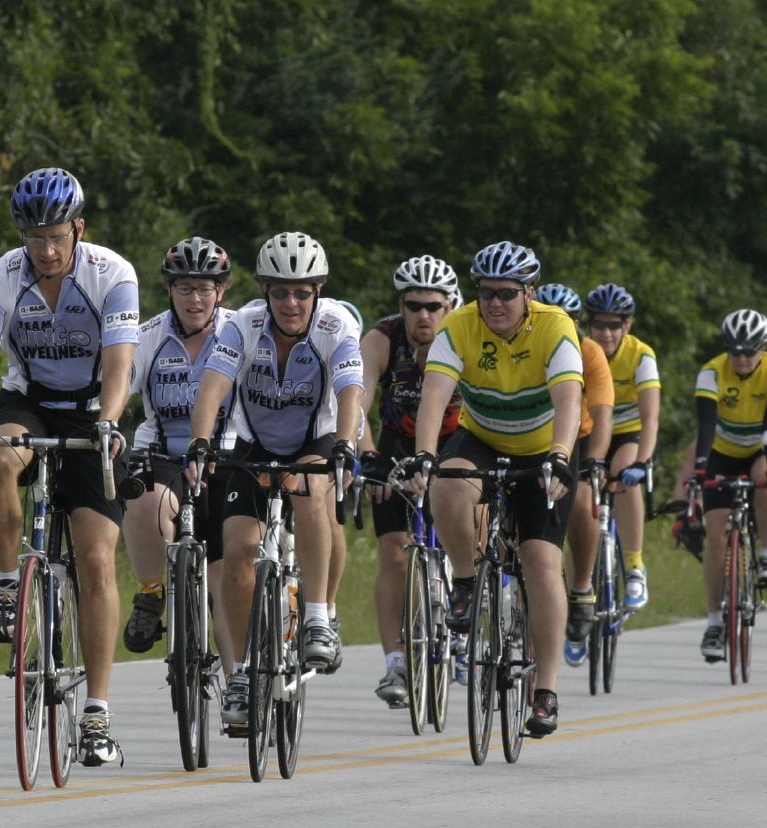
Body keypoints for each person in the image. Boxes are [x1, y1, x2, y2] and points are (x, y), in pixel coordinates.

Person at [0, 167, 138, 766]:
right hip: (31, 404)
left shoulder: (112, 274)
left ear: (78, 228)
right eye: (34, 239)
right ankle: (8, 589)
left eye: (56, 236)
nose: (46, 251)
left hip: (91, 410)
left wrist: (108, 422)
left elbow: (120, 362)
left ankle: (98, 714)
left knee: (97, 559)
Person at [401, 240, 582, 737]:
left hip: (547, 445)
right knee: (447, 485)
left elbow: (569, 397)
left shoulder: (555, 326)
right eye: (486, 293)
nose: (495, 303)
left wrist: (561, 457)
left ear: (529, 293)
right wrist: (424, 452)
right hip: (482, 435)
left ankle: (545, 691)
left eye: (506, 293)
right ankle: (464, 581)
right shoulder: (459, 325)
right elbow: (435, 393)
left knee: (541, 561)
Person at [187, 231, 363, 733]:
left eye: (302, 292)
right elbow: (213, 387)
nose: (291, 303)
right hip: (255, 444)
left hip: (317, 437)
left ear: (318, 291)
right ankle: (241, 674)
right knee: (239, 549)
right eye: (280, 291)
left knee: (310, 494)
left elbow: (350, 390)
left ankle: (316, 618)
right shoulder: (243, 325)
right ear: (265, 291)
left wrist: (347, 444)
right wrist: (201, 441)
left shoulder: (337, 325)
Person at [121, 238, 237, 677]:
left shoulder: (238, 333)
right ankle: (151, 594)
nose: (195, 298)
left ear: (220, 292)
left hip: (226, 456)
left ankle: (238, 685)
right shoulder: (148, 337)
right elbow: (119, 386)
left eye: (205, 288)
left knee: (226, 580)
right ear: (169, 289)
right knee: (148, 502)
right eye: (185, 287)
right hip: (164, 453)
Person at [357, 255, 462, 707]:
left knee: (472, 532)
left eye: (433, 306)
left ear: (450, 305)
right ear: (401, 305)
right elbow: (355, 404)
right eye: (413, 304)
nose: (423, 315)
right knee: (394, 553)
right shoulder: (382, 338)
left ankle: (468, 617)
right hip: (396, 447)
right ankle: (396, 662)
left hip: (459, 443)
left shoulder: (468, 335)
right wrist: (369, 457)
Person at [693, 309, 767, 661]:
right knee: (715, 537)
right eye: (735, 351)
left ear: (764, 347)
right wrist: (702, 467)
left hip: (765, 445)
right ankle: (715, 622)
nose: (742, 358)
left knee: (766, 476)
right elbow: (705, 426)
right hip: (722, 450)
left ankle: (766, 553)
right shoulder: (711, 371)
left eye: (750, 351)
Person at [531, 284, 613, 668]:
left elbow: (602, 412)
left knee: (581, 501)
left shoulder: (588, 350)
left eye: (571, 321)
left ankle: (581, 588)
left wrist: (595, 459)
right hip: (526, 439)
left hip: (574, 440)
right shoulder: (527, 341)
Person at [585, 282, 660, 611]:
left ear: (627, 326)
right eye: (599, 324)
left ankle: (633, 566)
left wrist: (643, 462)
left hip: (628, 432)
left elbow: (651, 417)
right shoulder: (580, 350)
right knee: (580, 494)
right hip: (589, 431)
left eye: (614, 325)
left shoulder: (641, 355)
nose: (606, 333)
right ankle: (581, 588)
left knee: (623, 475)